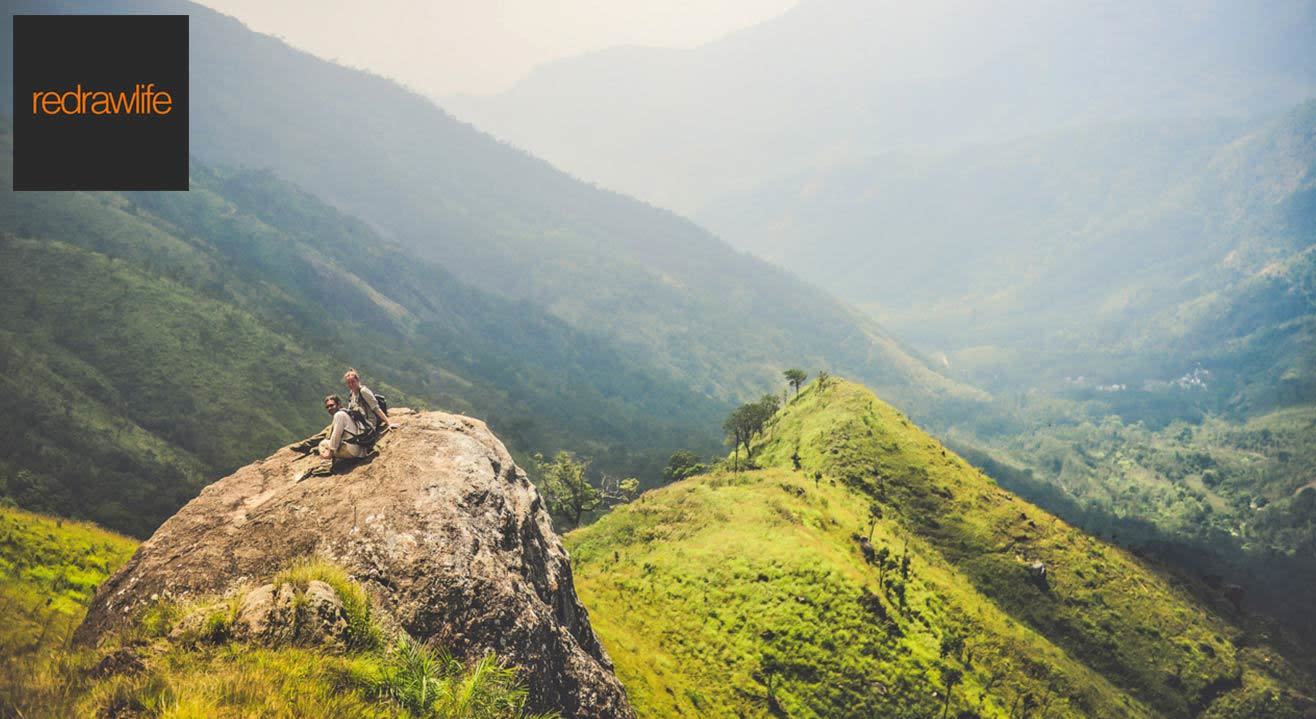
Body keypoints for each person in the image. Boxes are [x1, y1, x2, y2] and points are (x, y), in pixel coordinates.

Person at [291, 394, 366, 481]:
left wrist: (329, 453)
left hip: (352, 451)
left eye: (331, 405)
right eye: (327, 407)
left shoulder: (339, 415)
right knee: (327, 439)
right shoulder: (347, 413)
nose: (329, 408)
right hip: (359, 449)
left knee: (323, 444)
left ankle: (326, 467)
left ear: (338, 404)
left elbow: (336, 436)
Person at [343, 368, 394, 434]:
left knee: (340, 417)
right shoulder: (352, 394)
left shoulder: (363, 391)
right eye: (348, 383)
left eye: (353, 382)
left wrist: (388, 423)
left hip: (368, 424)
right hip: (359, 423)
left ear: (358, 380)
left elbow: (376, 408)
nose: (351, 384)